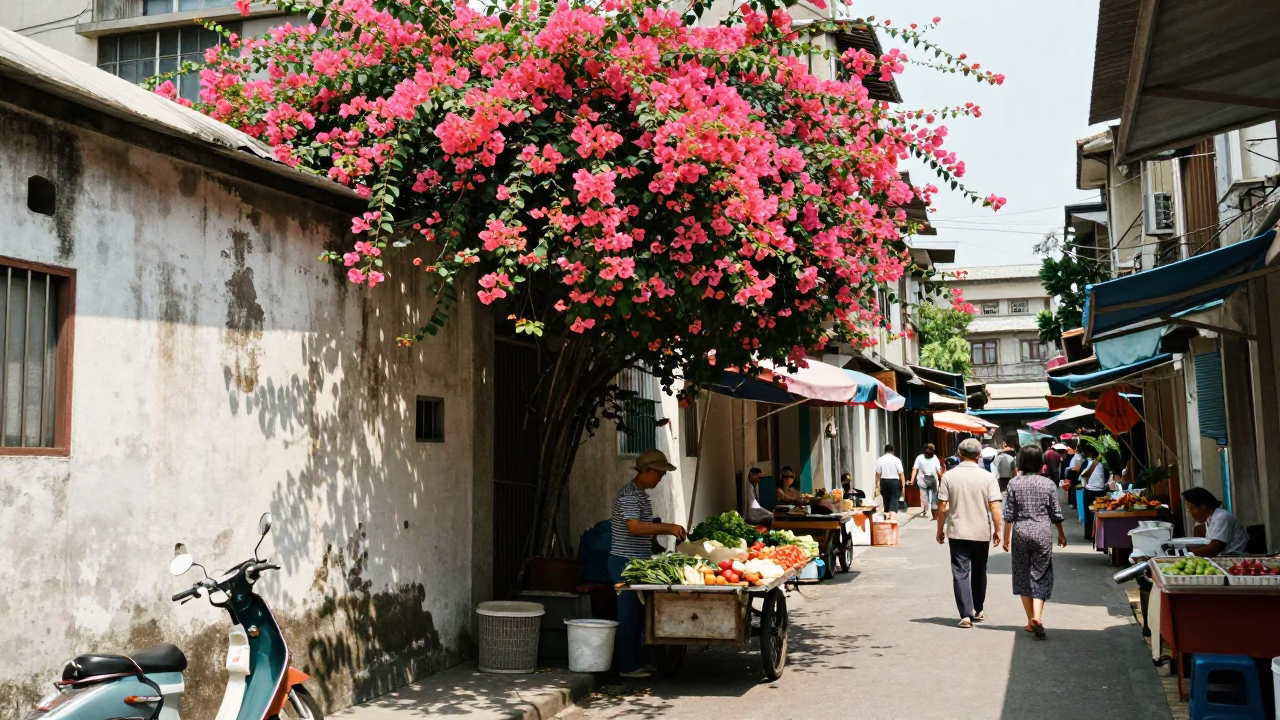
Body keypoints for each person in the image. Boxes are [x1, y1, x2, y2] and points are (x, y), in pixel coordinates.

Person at [608, 449, 686, 678]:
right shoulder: (630, 495)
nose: (660, 478)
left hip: (638, 563)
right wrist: (667, 527)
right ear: (646, 471)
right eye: (659, 473)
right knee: (629, 616)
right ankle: (627, 667)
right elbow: (634, 527)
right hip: (624, 563)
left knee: (640, 616)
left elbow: (643, 532)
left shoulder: (641, 495)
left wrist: (659, 550)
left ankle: (639, 661)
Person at [1001, 445, 1067, 640]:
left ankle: (1031, 620)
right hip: (1042, 533)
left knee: (1022, 574)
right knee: (1041, 574)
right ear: (1041, 462)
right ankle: (1037, 617)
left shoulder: (1014, 483)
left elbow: (1009, 514)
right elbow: (1055, 513)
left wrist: (1006, 537)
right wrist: (1061, 534)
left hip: (1020, 533)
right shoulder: (1047, 484)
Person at [936, 438, 1003, 628]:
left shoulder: (949, 476)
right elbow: (995, 506)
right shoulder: (988, 477)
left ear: (958, 454)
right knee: (979, 571)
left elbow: (942, 507)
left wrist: (939, 529)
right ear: (979, 455)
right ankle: (978, 609)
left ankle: (966, 615)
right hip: (981, 531)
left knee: (960, 572)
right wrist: (998, 529)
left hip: (957, 531)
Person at [1181, 487, 1249, 557]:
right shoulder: (1211, 518)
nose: (1190, 512)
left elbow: (1213, 549)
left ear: (1203, 506)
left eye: (1190, 508)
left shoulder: (1221, 517)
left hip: (1235, 558)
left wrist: (1189, 553)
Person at [1080, 445, 1108, 542]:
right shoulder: (1102, 465)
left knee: (1088, 514)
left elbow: (1081, 476)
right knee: (1101, 513)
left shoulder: (1085, 463)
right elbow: (1105, 478)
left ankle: (1088, 534)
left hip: (1089, 491)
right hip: (1101, 491)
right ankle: (1101, 534)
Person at [910, 443, 945, 520]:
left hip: (923, 479)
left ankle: (926, 509)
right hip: (931, 479)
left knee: (925, 496)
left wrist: (912, 480)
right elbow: (939, 471)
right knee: (933, 496)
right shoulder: (934, 458)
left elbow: (915, 469)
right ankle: (932, 513)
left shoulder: (920, 458)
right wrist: (942, 475)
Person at [875, 444, 905, 519]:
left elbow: (877, 473)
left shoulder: (880, 459)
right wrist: (903, 486)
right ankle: (892, 518)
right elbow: (901, 474)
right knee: (894, 500)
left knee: (886, 501)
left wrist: (877, 485)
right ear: (892, 451)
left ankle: (887, 517)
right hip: (894, 482)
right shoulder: (896, 460)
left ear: (885, 451)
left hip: (884, 481)